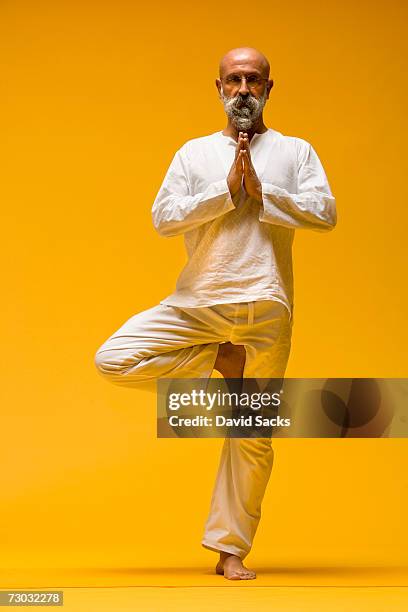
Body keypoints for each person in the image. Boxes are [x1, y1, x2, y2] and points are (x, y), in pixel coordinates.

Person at [94, 46, 337, 580]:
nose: (243, 88)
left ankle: (230, 551)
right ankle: (218, 360)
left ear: (270, 89)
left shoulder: (296, 151)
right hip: (199, 301)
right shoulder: (194, 153)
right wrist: (226, 192)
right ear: (219, 88)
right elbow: (163, 217)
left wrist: (263, 189)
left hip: (267, 305)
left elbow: (325, 212)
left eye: (254, 79)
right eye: (234, 80)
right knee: (113, 359)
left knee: (251, 433)